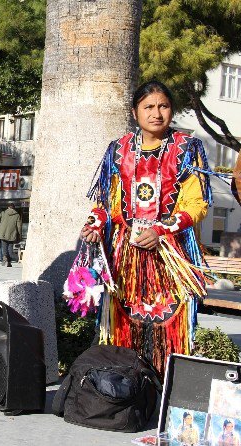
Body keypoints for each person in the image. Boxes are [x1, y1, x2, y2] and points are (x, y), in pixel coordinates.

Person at [79, 80, 211, 375]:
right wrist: (95, 223)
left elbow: (195, 204)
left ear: (172, 110)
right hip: (127, 255)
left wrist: (162, 231)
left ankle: (166, 384)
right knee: (126, 319)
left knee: (171, 321)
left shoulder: (187, 149)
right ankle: (126, 384)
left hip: (170, 255)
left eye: (163, 106)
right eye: (148, 107)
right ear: (134, 111)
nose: (156, 113)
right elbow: (108, 204)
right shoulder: (119, 150)